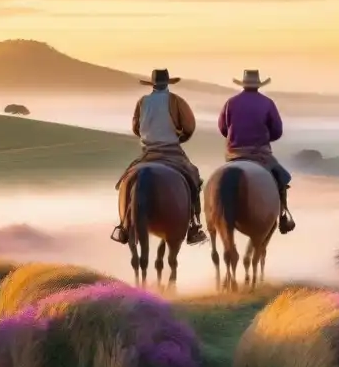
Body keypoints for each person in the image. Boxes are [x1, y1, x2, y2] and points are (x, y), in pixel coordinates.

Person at [112, 68, 206, 245]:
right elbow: (189, 126)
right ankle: (194, 226)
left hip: (149, 152)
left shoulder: (142, 102)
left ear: (153, 85)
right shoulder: (176, 101)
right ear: (168, 84)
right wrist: (181, 137)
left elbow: (136, 127)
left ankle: (123, 227)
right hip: (172, 151)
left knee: (126, 179)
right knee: (194, 176)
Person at [217, 69, 296, 234]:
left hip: (234, 154)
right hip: (260, 153)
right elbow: (277, 131)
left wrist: (234, 138)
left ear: (243, 84)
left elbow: (223, 128)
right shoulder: (267, 103)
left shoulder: (230, 103)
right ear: (258, 85)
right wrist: (266, 137)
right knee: (283, 177)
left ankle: (213, 215)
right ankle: (283, 216)